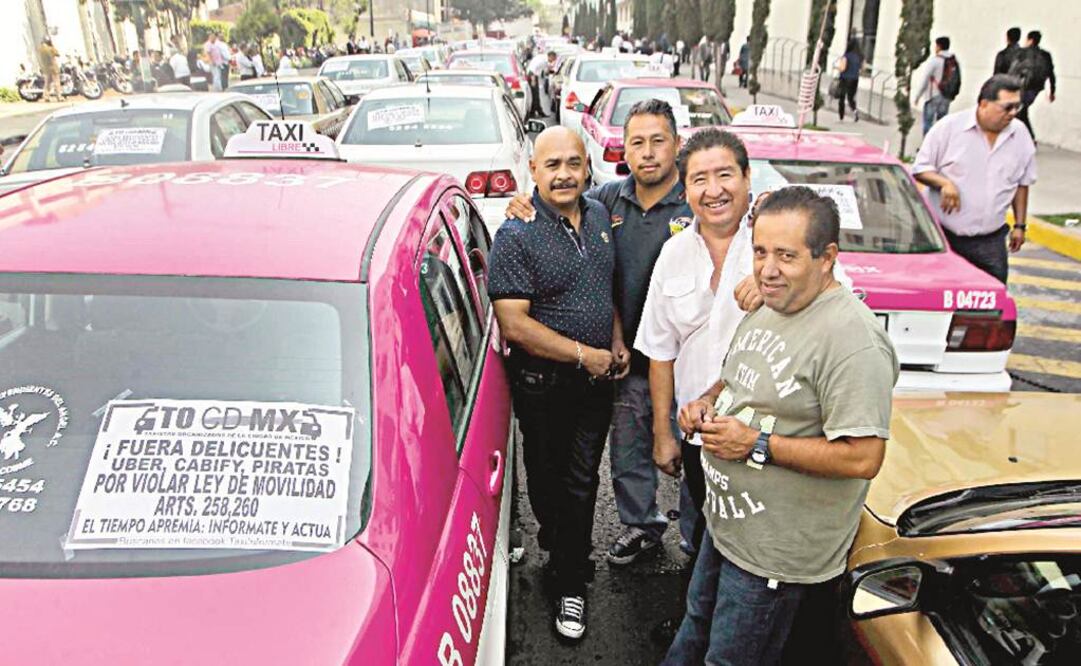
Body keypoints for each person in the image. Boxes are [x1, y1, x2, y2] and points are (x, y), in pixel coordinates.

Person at [663, 184, 899, 665]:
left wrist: (756, 444)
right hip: (727, 527)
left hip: (775, 556)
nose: (768, 270)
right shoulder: (772, 305)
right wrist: (703, 404)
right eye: (761, 251)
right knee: (694, 628)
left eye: (786, 256)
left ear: (827, 257)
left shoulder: (853, 342)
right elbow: (734, 384)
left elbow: (863, 455)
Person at [506, 100, 720, 566]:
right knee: (628, 454)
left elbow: (744, 216)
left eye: (657, 141)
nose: (646, 153)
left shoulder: (696, 202)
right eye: (636, 143)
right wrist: (522, 199)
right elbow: (558, 203)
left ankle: (695, 541)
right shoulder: (607, 202)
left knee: (692, 454)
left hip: (689, 363)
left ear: (677, 145)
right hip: (625, 360)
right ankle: (642, 525)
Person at [487, 127, 624, 641]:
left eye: (573, 163)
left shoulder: (600, 217)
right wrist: (583, 355)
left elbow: (602, 287)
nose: (564, 174)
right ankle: (559, 545)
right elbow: (514, 324)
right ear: (534, 172)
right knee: (548, 486)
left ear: (588, 167)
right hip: (543, 386)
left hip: (595, 384)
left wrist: (613, 342)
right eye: (552, 165)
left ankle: (570, 580)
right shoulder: (516, 234)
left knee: (582, 482)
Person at [913, 74, 1036, 284]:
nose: (1013, 114)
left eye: (1018, 107)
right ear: (984, 104)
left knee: (992, 304)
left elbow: (1022, 183)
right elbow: (920, 169)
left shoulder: (1020, 134)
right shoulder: (949, 128)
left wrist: (1020, 225)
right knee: (940, 300)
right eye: (1007, 107)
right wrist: (945, 183)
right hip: (944, 237)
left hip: (990, 240)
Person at [1011, 30, 1056, 141]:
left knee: (1019, 112)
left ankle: (1028, 138)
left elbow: (1013, 70)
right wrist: (1052, 91)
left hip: (1022, 86)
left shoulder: (1022, 53)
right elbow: (1051, 73)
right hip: (1036, 88)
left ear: (1030, 40)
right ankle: (1027, 138)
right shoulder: (1046, 55)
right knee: (1022, 111)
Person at [913, 36, 960, 135]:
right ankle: (938, 147)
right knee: (941, 126)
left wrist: (917, 96)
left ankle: (927, 147)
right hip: (946, 97)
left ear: (939, 46)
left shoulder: (934, 61)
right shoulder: (953, 61)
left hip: (933, 96)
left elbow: (925, 79)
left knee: (928, 124)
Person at [836, 38, 862, 122]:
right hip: (855, 79)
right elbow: (863, 68)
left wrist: (838, 67)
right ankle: (855, 111)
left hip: (845, 78)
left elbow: (842, 68)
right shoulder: (860, 56)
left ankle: (841, 116)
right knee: (851, 97)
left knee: (842, 97)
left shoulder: (846, 56)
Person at [527, 50, 557, 118]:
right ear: (550, 56)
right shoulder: (541, 60)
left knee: (536, 95)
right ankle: (534, 112)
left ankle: (537, 111)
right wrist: (533, 80)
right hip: (532, 76)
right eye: (553, 59)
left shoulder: (545, 61)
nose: (553, 61)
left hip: (535, 76)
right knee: (535, 95)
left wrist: (552, 72)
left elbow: (544, 72)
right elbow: (532, 69)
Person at [38, 37, 61, 102]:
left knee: (47, 83)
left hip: (45, 68)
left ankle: (46, 96)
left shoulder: (40, 49)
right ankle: (59, 97)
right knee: (56, 83)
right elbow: (57, 54)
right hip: (53, 68)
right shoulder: (51, 49)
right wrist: (52, 45)